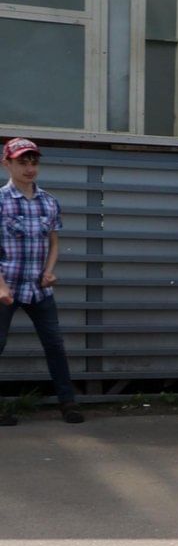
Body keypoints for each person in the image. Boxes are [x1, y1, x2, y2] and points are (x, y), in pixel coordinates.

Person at [0, 138, 82, 426]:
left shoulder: (49, 201)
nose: (29, 168)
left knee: (55, 344)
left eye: (34, 161)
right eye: (22, 161)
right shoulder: (1, 201)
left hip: (39, 288)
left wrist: (50, 270)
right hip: (6, 286)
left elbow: (53, 242)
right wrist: (0, 285)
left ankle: (67, 402)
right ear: (6, 163)